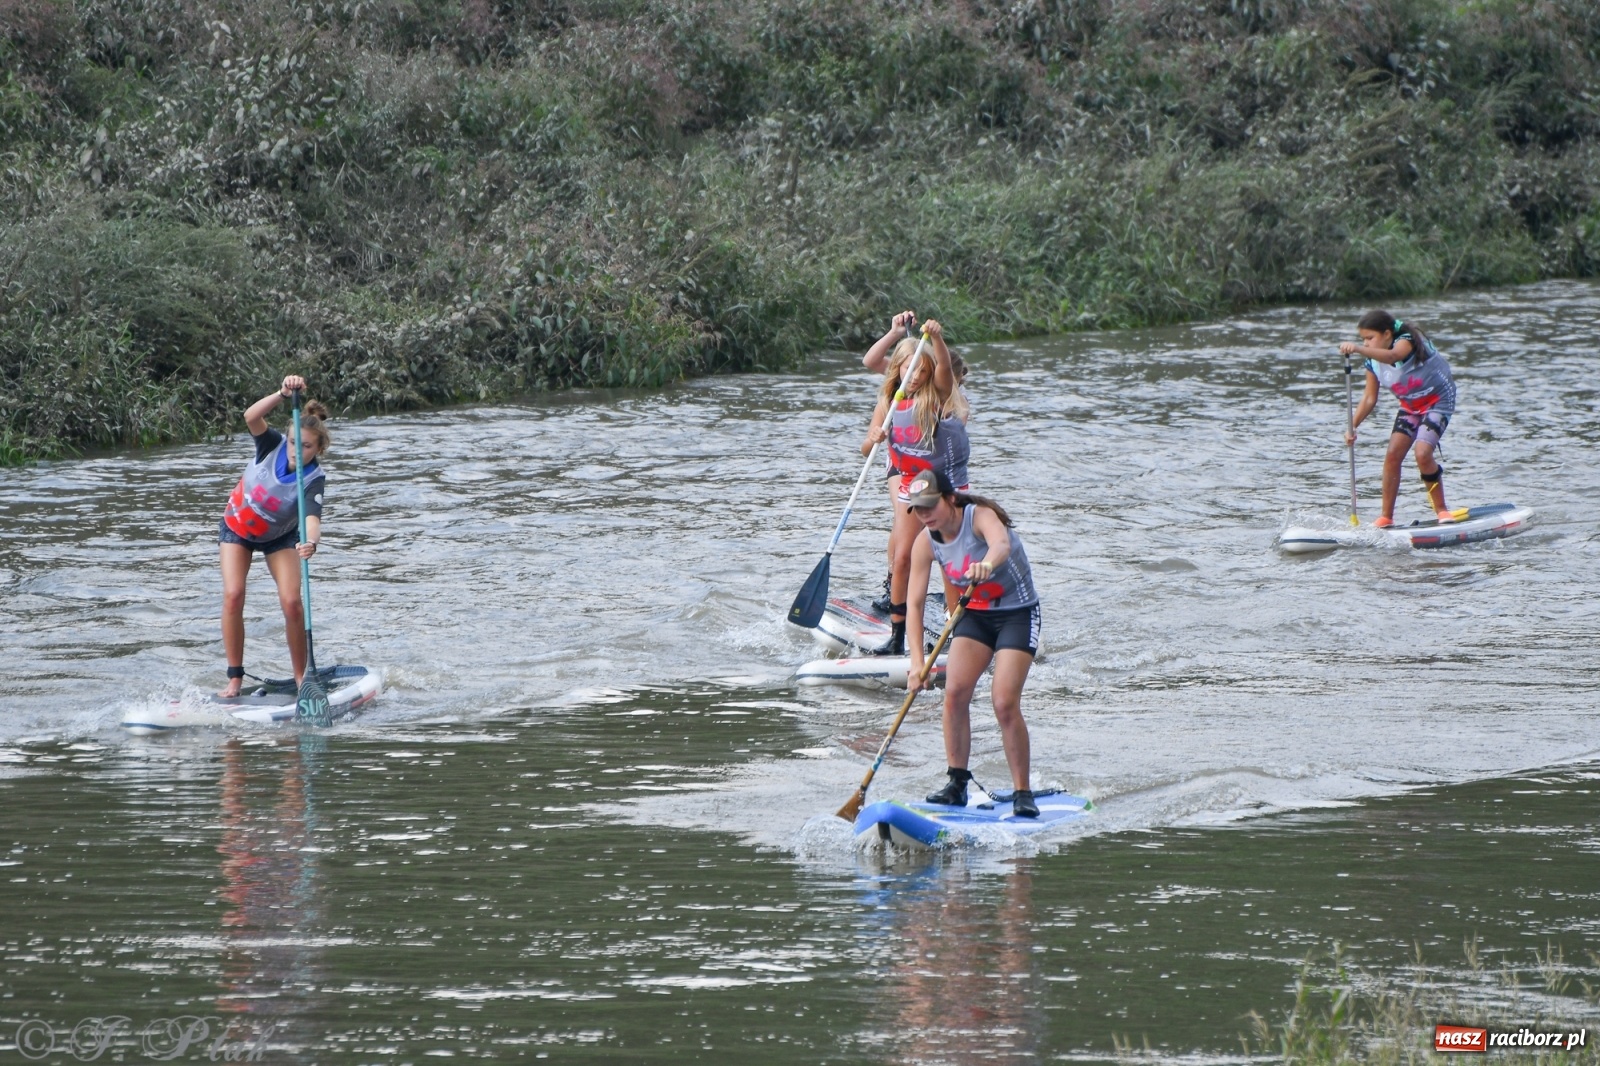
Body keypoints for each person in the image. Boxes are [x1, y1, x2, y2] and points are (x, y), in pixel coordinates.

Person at [902, 468, 1041, 818]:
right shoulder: (926, 542)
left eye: (930, 506)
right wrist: (917, 664)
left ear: (950, 498)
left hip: (1017, 614)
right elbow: (914, 605)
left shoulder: (979, 516)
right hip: (975, 617)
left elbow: (1001, 543)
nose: (925, 515)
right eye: (918, 509)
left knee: (1003, 702)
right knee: (955, 694)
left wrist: (987, 564)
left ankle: (1023, 792)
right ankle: (957, 784)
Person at [217, 375, 328, 697]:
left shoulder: (314, 478)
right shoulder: (271, 444)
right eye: (294, 442)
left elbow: (311, 519)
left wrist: (312, 542)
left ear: (319, 448)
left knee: (293, 603)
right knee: (234, 594)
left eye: (306, 446)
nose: (296, 450)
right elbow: (250, 417)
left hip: (279, 537)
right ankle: (234, 679)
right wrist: (281, 394)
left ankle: (300, 679)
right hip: (236, 529)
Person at [860, 318, 956, 655]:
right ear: (898, 369)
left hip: (939, 485)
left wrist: (939, 339)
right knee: (902, 558)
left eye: (921, 372)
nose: (915, 377)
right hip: (907, 485)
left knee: (942, 556)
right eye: (910, 370)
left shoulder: (936, 396)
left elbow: (944, 365)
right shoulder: (890, 401)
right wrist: (873, 439)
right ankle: (897, 636)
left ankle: (955, 627)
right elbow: (865, 450)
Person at [1338, 310, 1458, 527]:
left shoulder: (1407, 341)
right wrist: (1352, 426)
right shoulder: (1372, 362)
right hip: (1411, 406)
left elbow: (1393, 357)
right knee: (1393, 455)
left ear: (1386, 334)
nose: (1366, 343)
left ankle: (1442, 511)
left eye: (1369, 338)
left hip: (1438, 401)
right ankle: (1386, 517)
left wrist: (1356, 348)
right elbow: (1369, 398)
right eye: (1362, 339)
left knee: (1422, 453)